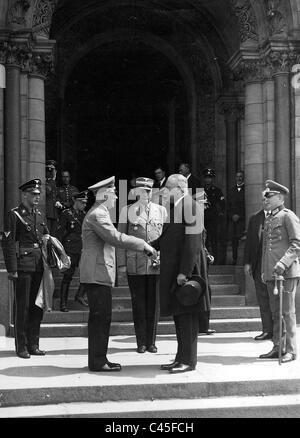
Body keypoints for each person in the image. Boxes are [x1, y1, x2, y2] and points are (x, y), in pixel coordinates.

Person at [79, 176, 157, 372]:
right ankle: (98, 361)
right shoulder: (99, 214)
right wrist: (143, 244)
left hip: (98, 271)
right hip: (97, 271)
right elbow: (115, 237)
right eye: (113, 193)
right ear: (104, 194)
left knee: (101, 317)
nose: (115, 197)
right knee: (100, 317)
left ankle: (99, 359)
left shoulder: (100, 212)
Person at [152, 174, 210, 374]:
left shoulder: (190, 206)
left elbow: (193, 243)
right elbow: (169, 236)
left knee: (187, 318)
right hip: (175, 270)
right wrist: (147, 247)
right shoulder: (176, 206)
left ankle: (189, 361)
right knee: (180, 316)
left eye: (167, 188)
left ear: (178, 188)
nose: (163, 191)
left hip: (185, 271)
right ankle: (180, 358)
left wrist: (184, 272)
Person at [118, 177, 167, 354]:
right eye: (141, 190)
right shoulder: (127, 211)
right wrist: (122, 265)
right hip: (135, 263)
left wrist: (165, 260)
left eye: (148, 190)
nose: (145, 193)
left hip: (155, 263)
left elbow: (165, 238)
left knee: (154, 304)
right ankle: (141, 342)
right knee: (138, 303)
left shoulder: (161, 211)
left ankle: (151, 341)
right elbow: (120, 238)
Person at [2, 179, 49, 358]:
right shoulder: (14, 215)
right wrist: (12, 269)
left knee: (37, 306)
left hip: (38, 265)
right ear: (24, 195)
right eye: (33, 194)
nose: (37, 197)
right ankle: (21, 346)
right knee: (22, 307)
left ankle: (34, 344)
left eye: (38, 194)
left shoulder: (40, 214)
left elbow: (45, 237)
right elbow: (8, 243)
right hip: (23, 266)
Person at [259, 180, 300, 363]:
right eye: (265, 196)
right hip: (271, 273)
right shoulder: (269, 218)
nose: (265, 199)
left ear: (280, 197)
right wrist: (264, 270)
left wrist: (283, 263)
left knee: (287, 312)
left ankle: (291, 349)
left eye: (269, 196)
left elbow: (296, 243)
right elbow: (265, 248)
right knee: (275, 313)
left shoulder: (287, 216)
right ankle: (278, 346)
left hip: (286, 273)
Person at [244, 197, 273, 341]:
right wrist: (247, 262)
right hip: (258, 265)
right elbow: (249, 241)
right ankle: (267, 330)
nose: (266, 202)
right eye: (263, 199)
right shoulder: (255, 218)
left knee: (276, 300)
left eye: (269, 199)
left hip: (274, 267)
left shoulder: (281, 216)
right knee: (262, 299)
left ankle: (279, 331)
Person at [57, 191, 89, 312]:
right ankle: (63, 304)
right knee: (67, 277)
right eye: (82, 202)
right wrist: (60, 251)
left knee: (87, 272)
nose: (84, 205)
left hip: (82, 248)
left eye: (85, 203)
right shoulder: (66, 213)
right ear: (76, 201)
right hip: (70, 248)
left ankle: (79, 295)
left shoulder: (84, 214)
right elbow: (60, 233)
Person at [202, 168, 226, 263]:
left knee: (214, 240)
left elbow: (222, 204)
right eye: (207, 178)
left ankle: (216, 260)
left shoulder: (217, 191)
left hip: (213, 220)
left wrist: (219, 213)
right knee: (204, 240)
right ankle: (204, 260)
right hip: (203, 219)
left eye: (210, 178)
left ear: (212, 179)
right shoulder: (201, 190)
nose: (208, 180)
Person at [228, 170, 245, 265]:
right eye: (237, 176)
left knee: (241, 237)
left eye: (241, 176)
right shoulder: (231, 190)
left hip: (242, 219)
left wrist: (240, 216)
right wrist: (232, 216)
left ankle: (242, 259)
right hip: (233, 220)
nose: (239, 178)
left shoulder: (246, 189)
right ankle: (234, 259)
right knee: (234, 240)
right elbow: (228, 206)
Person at [45, 160, 61, 237]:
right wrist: (52, 180)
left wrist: (58, 201)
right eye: (49, 170)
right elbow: (48, 191)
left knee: (53, 236)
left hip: (54, 213)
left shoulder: (52, 182)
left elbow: (56, 195)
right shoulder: (47, 181)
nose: (51, 172)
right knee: (48, 236)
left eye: (53, 170)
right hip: (48, 213)